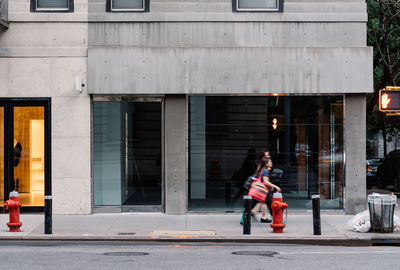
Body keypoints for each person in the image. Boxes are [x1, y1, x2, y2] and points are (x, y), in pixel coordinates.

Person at [251, 157, 281, 223]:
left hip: (261, 190)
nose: (271, 162)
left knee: (258, 203)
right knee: (271, 205)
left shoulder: (261, 169)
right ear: (266, 163)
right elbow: (265, 181)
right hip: (263, 191)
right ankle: (277, 221)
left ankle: (251, 213)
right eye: (270, 161)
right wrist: (275, 186)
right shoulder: (265, 171)